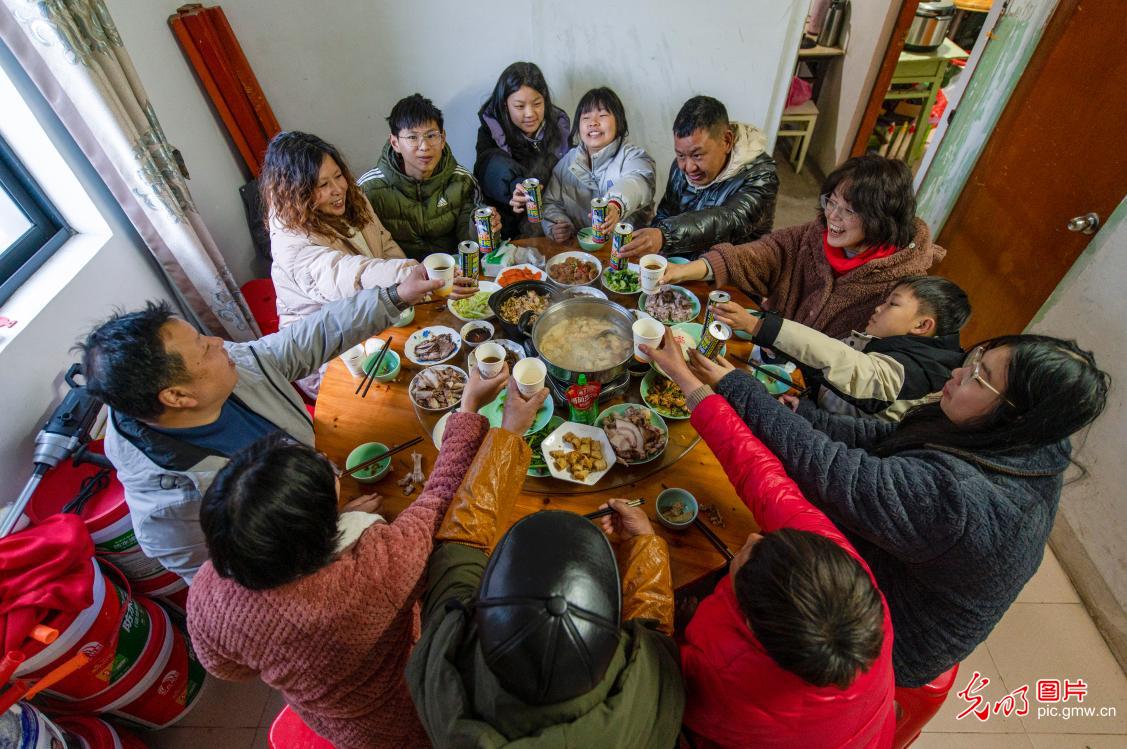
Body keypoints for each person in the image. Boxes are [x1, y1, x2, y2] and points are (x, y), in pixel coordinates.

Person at [651, 331, 1109, 687]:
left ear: (1018, 415)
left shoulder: (959, 500)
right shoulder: (1015, 436)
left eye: (980, 377)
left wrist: (719, 387)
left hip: (885, 640)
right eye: (975, 358)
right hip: (897, 565)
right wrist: (798, 412)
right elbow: (886, 442)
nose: (957, 374)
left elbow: (826, 470)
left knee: (748, 548)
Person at [187, 363, 517, 749]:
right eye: (330, 478)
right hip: (408, 714)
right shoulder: (375, 571)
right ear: (321, 537)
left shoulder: (208, 588)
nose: (335, 471)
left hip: (337, 722)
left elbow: (226, 667)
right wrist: (470, 407)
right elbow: (442, 498)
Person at [79, 270, 440, 582]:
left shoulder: (223, 370)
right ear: (177, 397)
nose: (219, 342)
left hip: (323, 492)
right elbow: (240, 589)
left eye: (203, 337)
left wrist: (393, 297)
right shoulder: (171, 511)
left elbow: (300, 342)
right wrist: (329, 531)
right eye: (204, 348)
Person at [406, 418, 683, 746]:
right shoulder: (653, 696)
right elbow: (653, 638)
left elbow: (458, 552)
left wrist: (509, 433)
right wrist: (644, 543)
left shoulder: (440, 669)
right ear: (614, 634)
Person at [662, 366, 894, 747]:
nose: (753, 535)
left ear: (750, 622)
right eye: (767, 540)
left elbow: (663, 680)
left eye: (747, 557)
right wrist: (690, 385)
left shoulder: (730, 679)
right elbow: (763, 477)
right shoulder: (838, 571)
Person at [662, 155, 944, 339]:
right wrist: (685, 270)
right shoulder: (814, 235)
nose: (832, 217)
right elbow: (762, 254)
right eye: (831, 202)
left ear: (881, 218)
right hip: (771, 351)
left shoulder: (901, 287)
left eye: (848, 211)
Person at [724, 275, 971, 422]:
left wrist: (759, 326)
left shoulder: (921, 372)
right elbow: (829, 367)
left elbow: (847, 366)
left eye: (892, 304)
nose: (878, 309)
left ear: (922, 325)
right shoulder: (899, 346)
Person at [262, 131, 417, 330]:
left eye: (338, 175)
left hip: (369, 312)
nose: (338, 189)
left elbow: (384, 243)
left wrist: (411, 287)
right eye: (323, 184)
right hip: (325, 339)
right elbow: (350, 276)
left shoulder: (352, 197)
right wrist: (411, 273)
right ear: (297, 192)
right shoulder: (292, 242)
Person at [617, 95, 779, 260]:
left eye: (697, 155)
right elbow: (666, 212)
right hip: (679, 264)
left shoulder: (762, 175)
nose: (687, 167)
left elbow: (728, 219)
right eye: (680, 155)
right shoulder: (681, 167)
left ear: (727, 141)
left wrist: (664, 235)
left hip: (731, 270)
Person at [359, 93, 500, 260]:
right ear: (395, 143)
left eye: (431, 135)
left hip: (451, 274)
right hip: (400, 279)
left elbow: (471, 244)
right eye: (412, 137)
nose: (424, 147)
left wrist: (483, 228)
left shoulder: (462, 180)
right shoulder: (368, 189)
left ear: (442, 138)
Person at [539, 87, 657, 243]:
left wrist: (615, 205)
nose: (593, 123)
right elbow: (550, 203)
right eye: (586, 117)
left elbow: (638, 182)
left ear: (619, 122)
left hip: (626, 252)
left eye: (602, 115)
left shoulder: (633, 156)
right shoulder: (567, 162)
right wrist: (557, 224)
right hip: (581, 254)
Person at [475, 62, 570, 239]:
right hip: (508, 229)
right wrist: (514, 186)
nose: (530, 114)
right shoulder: (492, 129)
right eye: (519, 106)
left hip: (553, 226)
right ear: (505, 105)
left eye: (537, 104)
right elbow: (488, 167)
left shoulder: (559, 127)